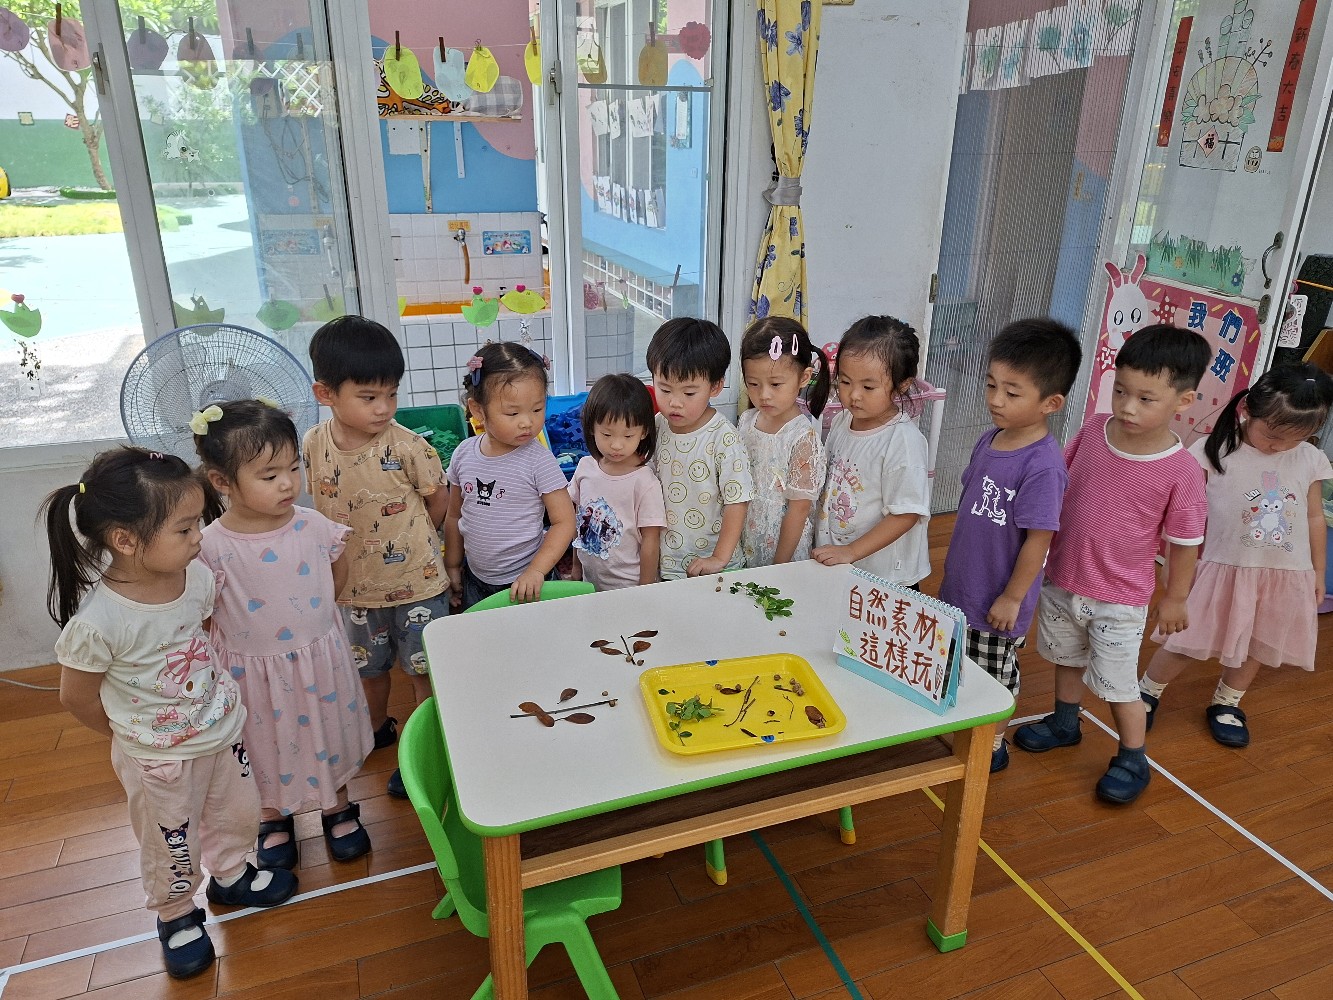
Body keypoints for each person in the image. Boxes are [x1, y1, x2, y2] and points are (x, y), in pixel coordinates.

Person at [44, 448, 297, 980]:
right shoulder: (99, 621)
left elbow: (195, 642)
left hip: (220, 731)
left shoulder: (195, 577)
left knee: (236, 813)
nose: (198, 538)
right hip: (157, 760)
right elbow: (76, 697)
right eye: (184, 529)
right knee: (170, 842)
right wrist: (129, 738)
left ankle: (232, 875)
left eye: (197, 524)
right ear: (126, 540)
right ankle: (177, 913)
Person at [1013, 324, 1211, 805]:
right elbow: (1057, 484)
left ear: (1183, 402)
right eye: (1120, 391)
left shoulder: (1182, 470)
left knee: (1120, 686)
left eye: (1145, 398)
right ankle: (1065, 722)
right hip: (1063, 578)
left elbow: (1185, 543)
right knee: (1066, 659)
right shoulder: (1092, 431)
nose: (1127, 407)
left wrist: (1176, 598)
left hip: (1119, 600)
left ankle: (1132, 757)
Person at [194, 400, 376, 869]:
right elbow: (205, 613)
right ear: (221, 481)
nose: (288, 483)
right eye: (269, 474)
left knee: (328, 728)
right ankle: (271, 816)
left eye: (294, 468)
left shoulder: (311, 524)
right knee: (263, 744)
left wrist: (317, 619)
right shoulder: (210, 545)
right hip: (250, 674)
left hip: (319, 659)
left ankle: (337, 805)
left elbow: (337, 570)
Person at [1139, 364, 1333, 748]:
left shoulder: (1309, 458)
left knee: (1258, 644)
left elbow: (1314, 516)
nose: (1280, 446)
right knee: (1187, 641)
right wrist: (1174, 566)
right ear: (1247, 410)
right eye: (1272, 435)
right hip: (1222, 569)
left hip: (1284, 575)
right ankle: (1146, 692)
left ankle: (1227, 703)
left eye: (1295, 438)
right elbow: (1181, 516)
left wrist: (1318, 571)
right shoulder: (1213, 451)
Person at [305, 316, 450, 800]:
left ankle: (427, 748)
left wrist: (418, 543)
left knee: (423, 672)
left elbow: (438, 501)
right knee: (368, 670)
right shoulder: (313, 443)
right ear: (325, 393)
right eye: (368, 397)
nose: (384, 407)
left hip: (418, 584)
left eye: (391, 394)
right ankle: (376, 730)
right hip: (353, 589)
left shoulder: (408, 446)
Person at [938, 318, 1082, 772]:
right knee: (960, 662)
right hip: (964, 585)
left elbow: (1040, 541)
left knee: (994, 676)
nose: (996, 399)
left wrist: (1013, 597)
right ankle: (966, 727)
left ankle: (993, 745)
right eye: (991, 385)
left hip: (998, 600)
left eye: (1012, 392)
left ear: (1050, 403)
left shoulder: (1043, 466)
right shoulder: (991, 439)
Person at [444, 341, 576, 608]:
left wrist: (536, 571)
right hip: (476, 579)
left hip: (529, 581)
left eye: (537, 409)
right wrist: (453, 565)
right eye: (512, 413)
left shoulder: (538, 460)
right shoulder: (463, 454)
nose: (527, 422)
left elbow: (564, 522)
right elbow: (455, 516)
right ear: (478, 410)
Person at [813, 315, 930, 586]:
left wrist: (851, 551)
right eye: (845, 382)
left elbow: (906, 514)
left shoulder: (903, 441)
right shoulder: (843, 421)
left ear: (902, 384)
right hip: (844, 565)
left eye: (868, 387)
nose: (854, 395)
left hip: (887, 577)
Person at [646, 317, 756, 579]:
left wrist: (719, 558)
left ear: (715, 386)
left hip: (715, 567)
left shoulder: (723, 438)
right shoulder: (657, 425)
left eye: (689, 393)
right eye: (664, 389)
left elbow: (737, 502)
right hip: (667, 562)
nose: (675, 402)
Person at [738, 317, 831, 566]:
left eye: (776, 384)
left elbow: (798, 510)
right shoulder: (746, 421)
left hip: (783, 550)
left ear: (804, 377)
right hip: (746, 537)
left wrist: (779, 566)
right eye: (753, 384)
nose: (764, 395)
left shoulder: (803, 438)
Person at [567, 373, 666, 589]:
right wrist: (576, 567)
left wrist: (645, 589)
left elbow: (650, 542)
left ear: (643, 432)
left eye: (628, 436)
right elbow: (579, 522)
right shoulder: (585, 467)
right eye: (607, 434)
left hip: (628, 586)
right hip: (589, 582)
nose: (616, 445)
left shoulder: (644, 482)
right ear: (592, 427)